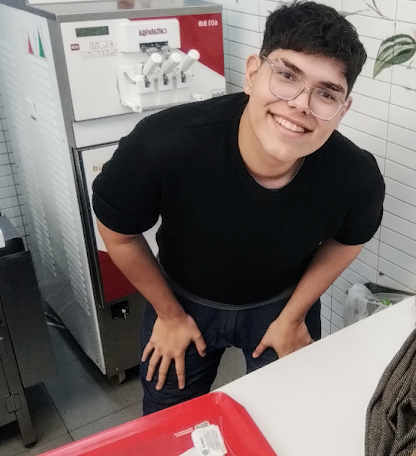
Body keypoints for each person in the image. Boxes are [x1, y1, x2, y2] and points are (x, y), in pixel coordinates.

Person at [93, 1, 385, 415]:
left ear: (343, 110)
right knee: (169, 417)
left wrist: (294, 316)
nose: (301, 104)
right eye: (286, 75)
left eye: (326, 93)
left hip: (282, 304)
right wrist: (169, 314)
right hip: (181, 297)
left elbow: (349, 240)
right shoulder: (164, 143)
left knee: (285, 416)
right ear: (252, 74)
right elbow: (118, 231)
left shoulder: (355, 176)